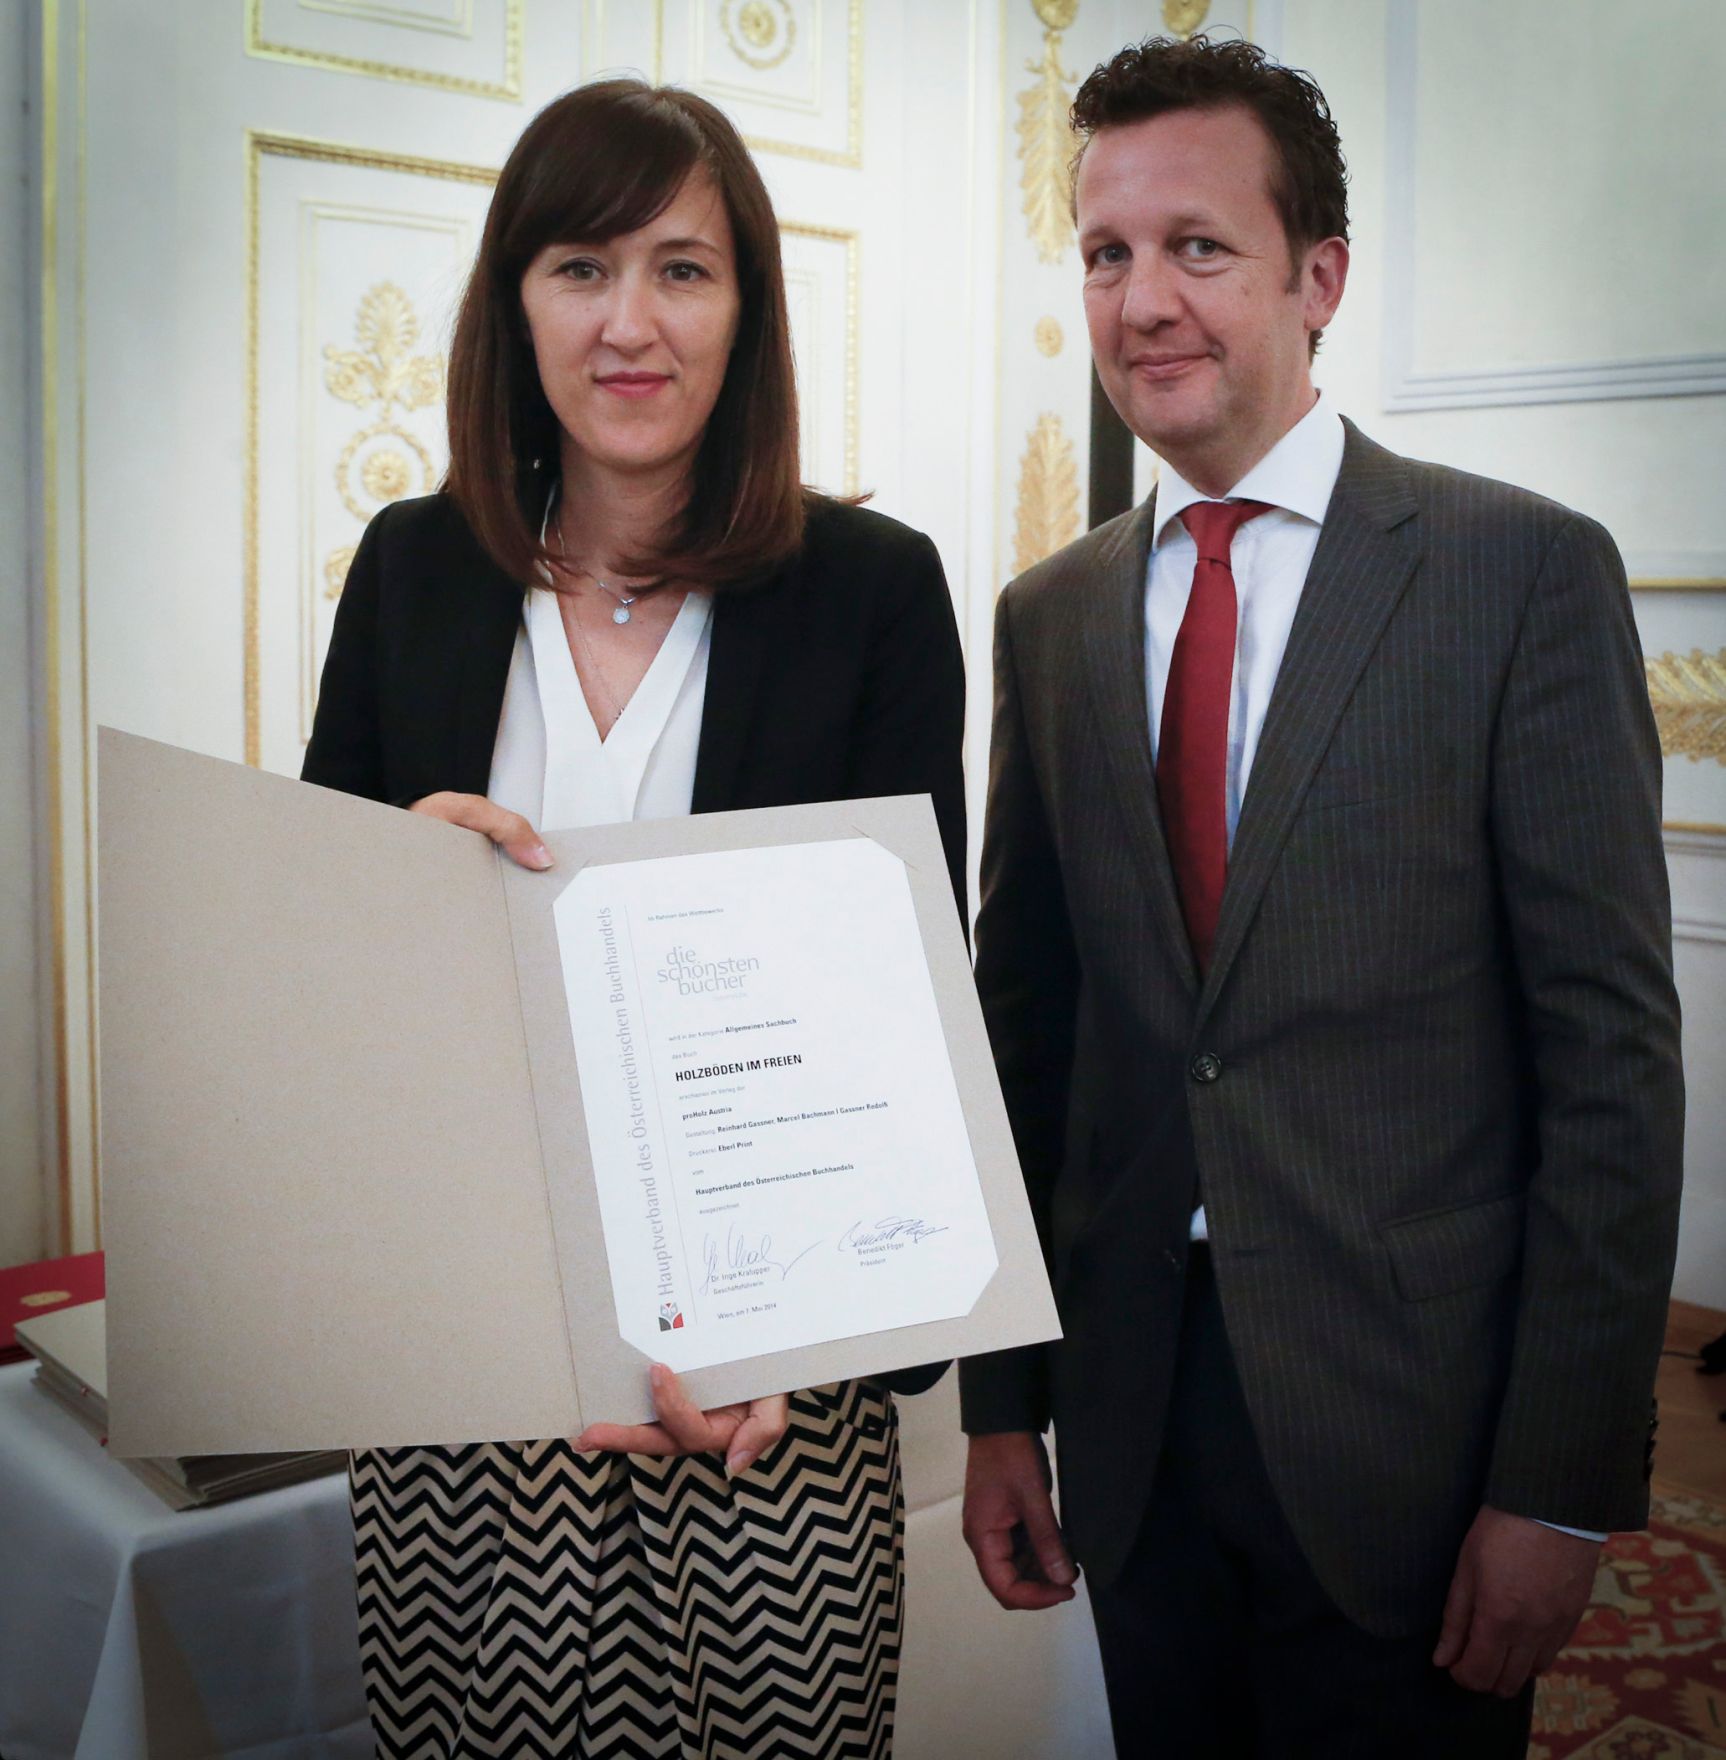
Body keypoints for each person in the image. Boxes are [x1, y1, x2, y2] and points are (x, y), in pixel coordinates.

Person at [957, 34, 1684, 1758]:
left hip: (1413, 1437)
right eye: (1106, 251)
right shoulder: (1049, 616)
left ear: (1319, 277)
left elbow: (1609, 1067)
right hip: (1132, 1418)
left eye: (1198, 246)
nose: (1143, 299)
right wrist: (1002, 1408)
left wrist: (1558, 1485)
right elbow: (1024, 1031)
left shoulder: (1516, 572)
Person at [303, 79, 962, 1760]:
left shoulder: (872, 593)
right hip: (459, 1379)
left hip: (767, 1396)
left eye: (682, 269)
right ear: (514, 303)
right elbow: (313, 980)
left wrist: (793, 1346)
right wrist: (389, 885)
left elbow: (907, 1014)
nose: (628, 322)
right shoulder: (410, 571)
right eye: (579, 267)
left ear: (747, 311)